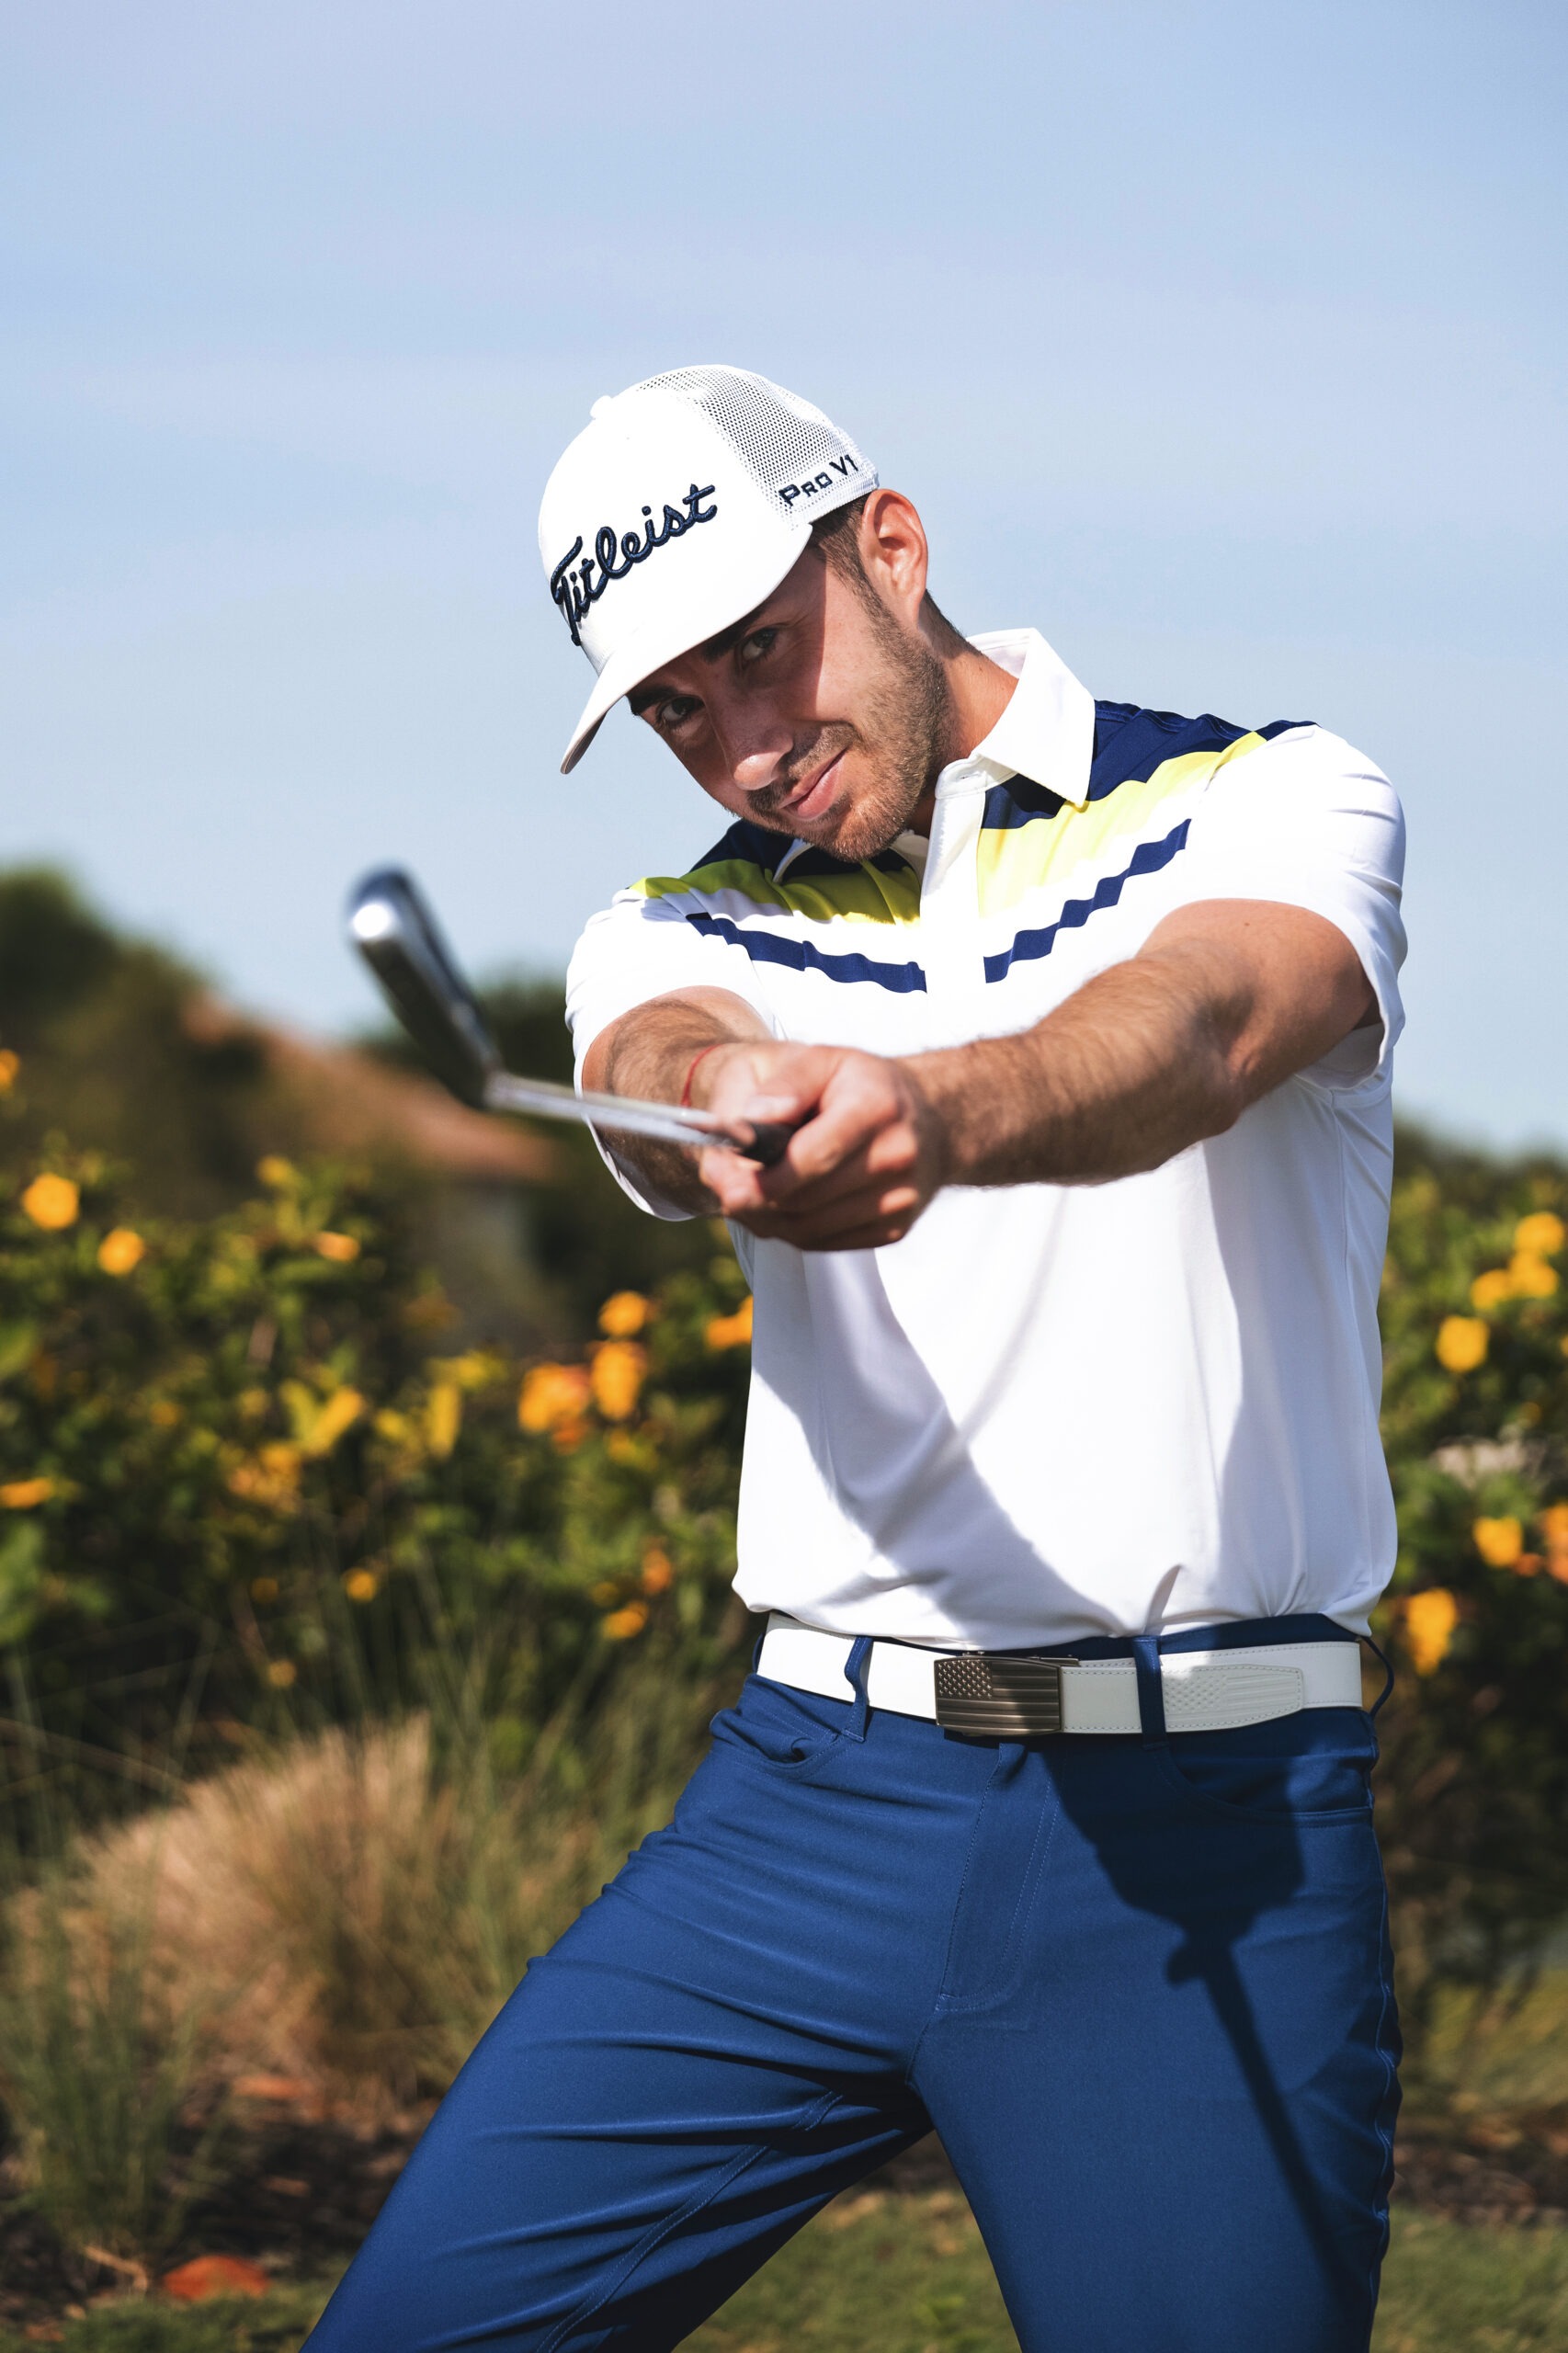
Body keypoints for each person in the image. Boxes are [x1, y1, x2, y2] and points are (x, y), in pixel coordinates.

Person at [310, 366, 1407, 2353]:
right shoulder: (662, 922)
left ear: (888, 546)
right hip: (804, 1809)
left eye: (757, 651)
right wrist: (721, 1081)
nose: (740, 745)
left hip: (1205, 1824)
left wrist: (935, 1110)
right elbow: (656, 1050)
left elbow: (1200, 1023)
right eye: (673, 709)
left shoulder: (1275, 794)